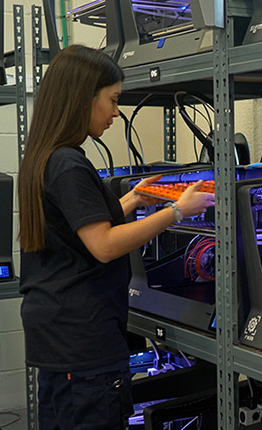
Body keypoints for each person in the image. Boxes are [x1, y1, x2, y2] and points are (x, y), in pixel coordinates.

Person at [17, 44, 215, 429]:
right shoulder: (69, 163)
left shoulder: (46, 156)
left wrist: (134, 199)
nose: (116, 112)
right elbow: (104, 245)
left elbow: (77, 229)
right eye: (112, 99)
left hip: (59, 336)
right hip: (85, 341)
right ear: (83, 98)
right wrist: (177, 211)